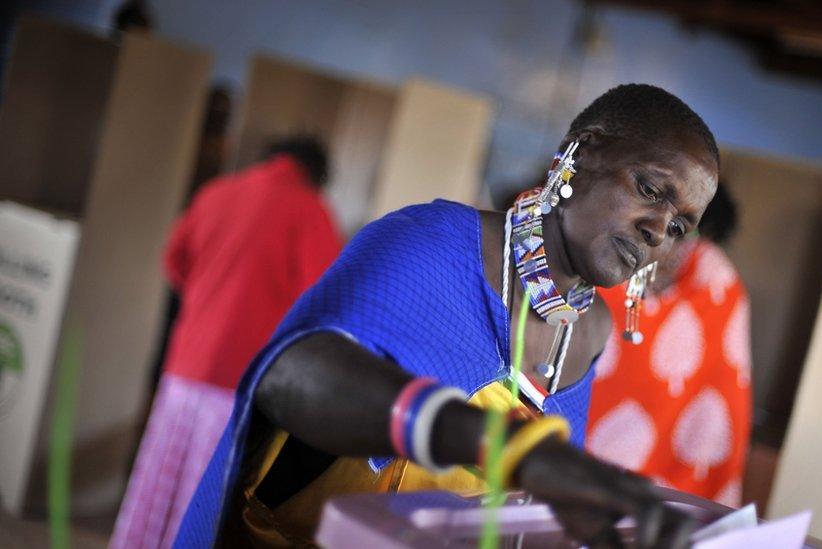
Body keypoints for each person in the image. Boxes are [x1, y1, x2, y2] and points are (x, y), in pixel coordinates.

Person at [177, 84, 720, 548]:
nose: (657, 230)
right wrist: (506, 448)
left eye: (679, 226)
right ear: (583, 152)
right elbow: (291, 377)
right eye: (650, 189)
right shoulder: (432, 242)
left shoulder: (591, 334)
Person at [111, 136, 344, 549]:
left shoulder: (218, 192)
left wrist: (208, 300)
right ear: (316, 174)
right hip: (243, 382)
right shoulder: (311, 212)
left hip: (186, 368)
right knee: (206, 501)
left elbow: (175, 261)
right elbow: (323, 302)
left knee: (158, 487)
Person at [586, 184, 751, 507]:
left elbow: (720, 401)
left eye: (681, 229)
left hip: (671, 490)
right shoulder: (604, 259)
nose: (665, 237)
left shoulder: (717, 285)